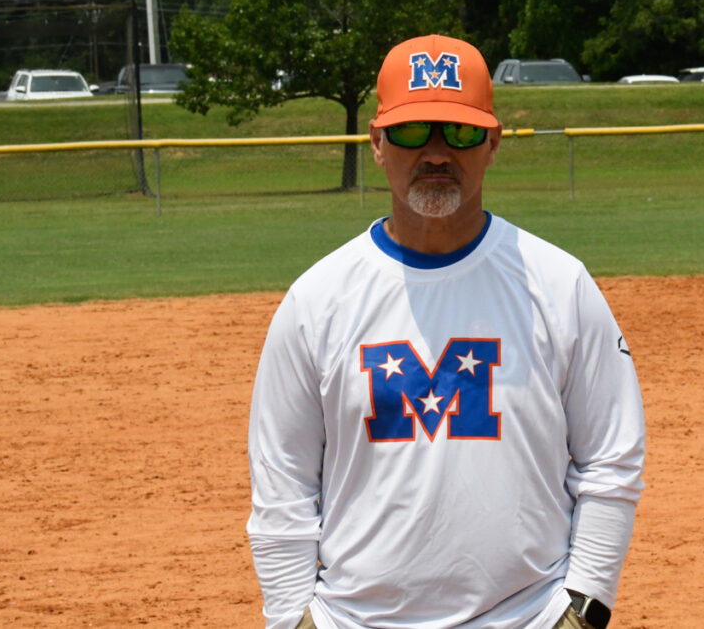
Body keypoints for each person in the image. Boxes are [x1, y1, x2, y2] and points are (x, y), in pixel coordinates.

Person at [247, 34, 646, 629]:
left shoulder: (559, 284)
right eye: (412, 131)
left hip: (529, 617)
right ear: (377, 143)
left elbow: (612, 455)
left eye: (459, 131)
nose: (436, 152)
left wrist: (585, 604)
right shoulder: (317, 300)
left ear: (492, 143)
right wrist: (290, 618)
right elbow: (282, 483)